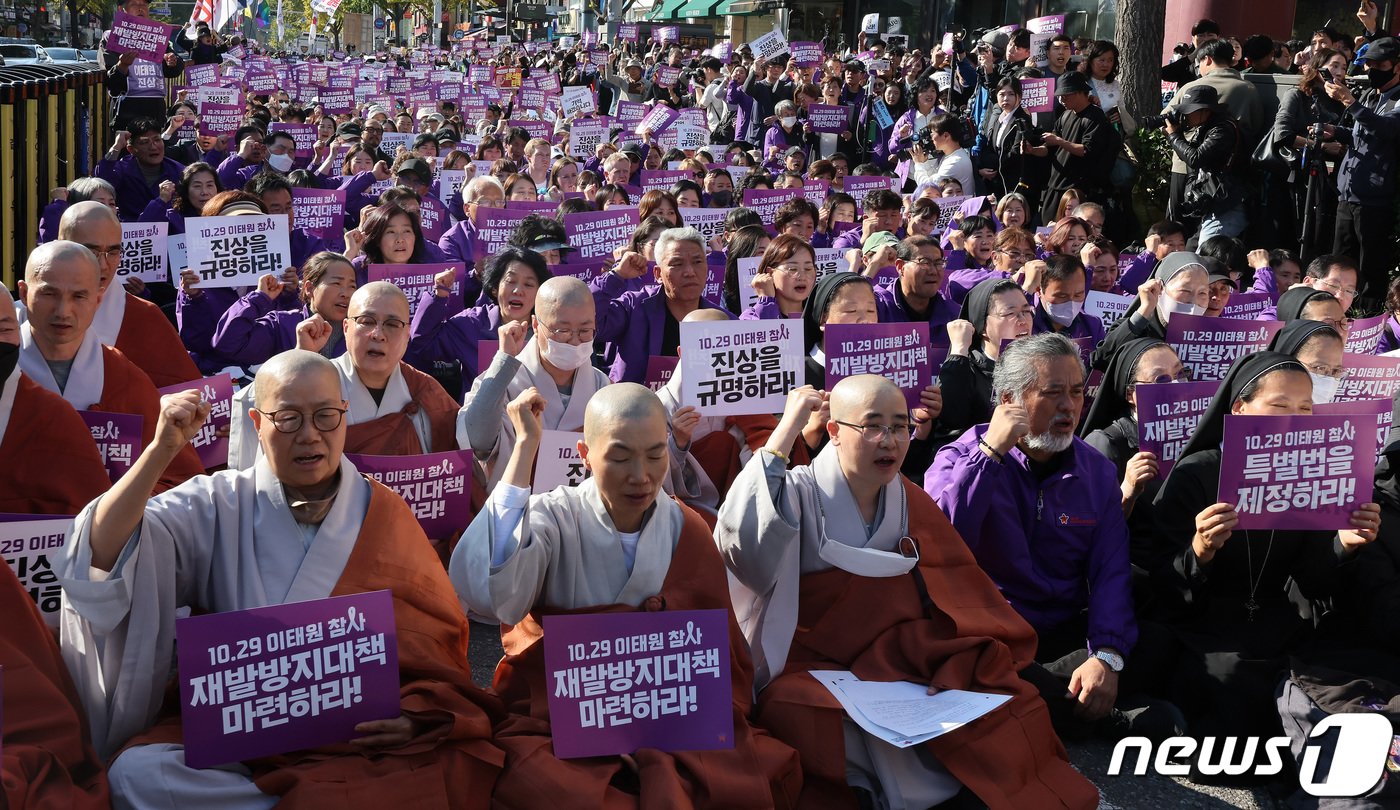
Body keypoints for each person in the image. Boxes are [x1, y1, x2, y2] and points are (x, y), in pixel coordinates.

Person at [59, 350, 505, 806]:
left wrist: (413, 716)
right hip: (241, 731)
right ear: (257, 422)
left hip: (352, 734)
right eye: (288, 418)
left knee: (453, 761)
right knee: (138, 773)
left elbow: (431, 646)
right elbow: (101, 554)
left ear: (344, 417)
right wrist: (160, 454)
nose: (310, 435)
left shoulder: (383, 510)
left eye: (326, 416)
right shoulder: (218, 503)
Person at [717, 376, 1099, 810]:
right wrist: (785, 430)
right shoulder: (797, 493)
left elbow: (955, 589)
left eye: (900, 426)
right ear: (835, 431)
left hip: (897, 658)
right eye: (873, 426)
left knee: (1001, 693)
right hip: (812, 665)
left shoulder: (909, 500)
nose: (890, 441)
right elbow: (743, 549)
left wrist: (946, 655)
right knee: (796, 711)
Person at [449, 383, 803, 808]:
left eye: (655, 455)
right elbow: (493, 594)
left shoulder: (685, 527)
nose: (641, 475)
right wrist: (525, 447)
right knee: (538, 783)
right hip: (567, 721)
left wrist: (665, 718)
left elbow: (718, 655)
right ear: (584, 454)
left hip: (669, 717)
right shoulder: (554, 516)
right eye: (619, 457)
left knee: (756, 772)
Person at [926, 333, 1159, 740]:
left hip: (1060, 628)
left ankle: (1051, 695)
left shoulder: (1096, 471)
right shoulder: (960, 456)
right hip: (989, 629)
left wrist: (1105, 656)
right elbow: (941, 541)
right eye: (1052, 393)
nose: (1068, 407)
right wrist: (989, 456)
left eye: (1075, 392)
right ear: (1008, 401)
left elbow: (1110, 570)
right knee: (980, 664)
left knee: (1156, 639)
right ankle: (1085, 708)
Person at [1147, 352, 1381, 741]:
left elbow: (1312, 580)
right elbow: (1161, 583)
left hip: (1279, 624)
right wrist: (1200, 550)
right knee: (1232, 691)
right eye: (1279, 405)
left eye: (1305, 408)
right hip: (1205, 626)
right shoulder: (1198, 473)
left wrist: (1343, 544)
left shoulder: (1311, 472)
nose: (1294, 417)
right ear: (1239, 408)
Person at [16, 241, 203, 494]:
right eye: (49, 294)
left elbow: (181, 482)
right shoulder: (7, 372)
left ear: (98, 299)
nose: (63, 311)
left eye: (79, 296)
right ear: (24, 293)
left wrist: (120, 503)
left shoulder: (123, 377)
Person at [458, 276, 611, 490]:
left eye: (585, 331)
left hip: (579, 515)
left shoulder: (601, 385)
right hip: (516, 511)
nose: (575, 341)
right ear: (536, 325)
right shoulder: (504, 380)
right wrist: (504, 360)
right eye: (563, 331)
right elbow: (478, 444)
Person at [55, 201, 202, 388]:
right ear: (61, 247)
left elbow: (191, 394)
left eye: (113, 252)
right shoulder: (24, 317)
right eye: (90, 251)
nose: (103, 265)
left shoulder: (144, 316)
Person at [0, 282, 111, 515]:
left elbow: (96, 521)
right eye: (50, 293)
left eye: (4, 329)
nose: (63, 311)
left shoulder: (52, 415)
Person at [1078, 338, 1187, 546]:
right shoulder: (1106, 442)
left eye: (1180, 374)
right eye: (1161, 380)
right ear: (1131, 394)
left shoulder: (1198, 432)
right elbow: (1088, 527)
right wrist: (1127, 491)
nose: (1175, 385)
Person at [592, 227, 730, 383]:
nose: (690, 271)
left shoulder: (722, 320)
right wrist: (616, 275)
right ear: (658, 274)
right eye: (677, 264)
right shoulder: (634, 307)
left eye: (698, 262)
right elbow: (588, 324)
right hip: (639, 405)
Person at [1322, 36, 1400, 305]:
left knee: (1370, 267)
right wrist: (1336, 132)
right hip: (1348, 192)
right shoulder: (1369, 95)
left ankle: (1365, 318)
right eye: (1368, 64)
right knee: (1340, 261)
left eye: (1380, 64)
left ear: (1396, 67)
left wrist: (1350, 102)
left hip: (1375, 200)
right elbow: (1360, 133)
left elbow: (1386, 129)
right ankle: (1334, 307)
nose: (1372, 70)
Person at [1162, 39, 1263, 223]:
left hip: (1185, 164)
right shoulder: (1249, 89)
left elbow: (1165, 121)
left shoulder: (1191, 88)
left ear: (1207, 60)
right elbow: (1256, 126)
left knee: (1178, 223)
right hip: (1227, 174)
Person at [211, 252, 357, 368]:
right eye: (337, 283)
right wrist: (259, 298)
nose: (346, 293)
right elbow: (228, 343)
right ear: (309, 288)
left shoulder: (361, 330)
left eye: (352, 286)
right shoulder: (282, 324)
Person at [937, 278, 1035, 440]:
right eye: (1010, 313)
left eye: (1026, 311)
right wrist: (959, 351)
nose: (1023, 320)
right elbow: (951, 426)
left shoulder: (1040, 363)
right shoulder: (965, 370)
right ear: (982, 325)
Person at [1027, 73, 1121, 224]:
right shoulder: (1064, 115)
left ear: (1080, 92)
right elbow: (1048, 148)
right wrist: (1033, 150)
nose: (1062, 100)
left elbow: (1086, 150)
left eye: (1066, 95)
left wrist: (1059, 141)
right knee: (1048, 229)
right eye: (1060, 96)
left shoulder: (1095, 116)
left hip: (1077, 190)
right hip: (1054, 186)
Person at [1092, 252, 1210, 371]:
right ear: (1160, 288)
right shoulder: (1136, 328)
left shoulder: (1212, 338)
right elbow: (1101, 361)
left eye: (1203, 293)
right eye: (1185, 291)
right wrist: (1144, 311)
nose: (1194, 302)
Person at [1165, 84, 1246, 241]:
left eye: (1189, 111)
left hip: (1227, 206)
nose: (1185, 115)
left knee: (1207, 254)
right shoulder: (1207, 127)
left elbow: (1195, 159)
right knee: (1192, 248)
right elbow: (1191, 157)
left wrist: (1174, 136)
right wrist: (1178, 133)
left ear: (1206, 110)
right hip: (1214, 202)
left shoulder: (1222, 129)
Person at [99, 0, 184, 130]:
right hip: (126, 110)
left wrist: (173, 62)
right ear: (122, 9)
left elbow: (173, 69)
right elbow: (111, 81)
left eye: (144, 5)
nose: (140, 8)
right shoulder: (111, 37)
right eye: (134, 4)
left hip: (155, 109)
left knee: (155, 147)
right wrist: (122, 65)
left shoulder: (157, 36)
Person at [96, 120, 187, 221]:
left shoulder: (178, 171)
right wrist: (116, 146)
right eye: (145, 142)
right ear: (131, 149)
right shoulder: (122, 169)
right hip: (129, 232)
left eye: (157, 140)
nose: (153, 146)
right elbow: (100, 183)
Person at [874, 235, 959, 331]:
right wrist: (873, 266)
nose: (933, 271)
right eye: (924, 263)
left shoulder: (953, 314)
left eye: (938, 263)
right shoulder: (878, 306)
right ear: (900, 266)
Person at [1029, 254, 1106, 344]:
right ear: (1039, 290)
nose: (1071, 303)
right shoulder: (1026, 324)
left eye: (1078, 295)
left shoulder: (1092, 326)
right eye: (1062, 296)